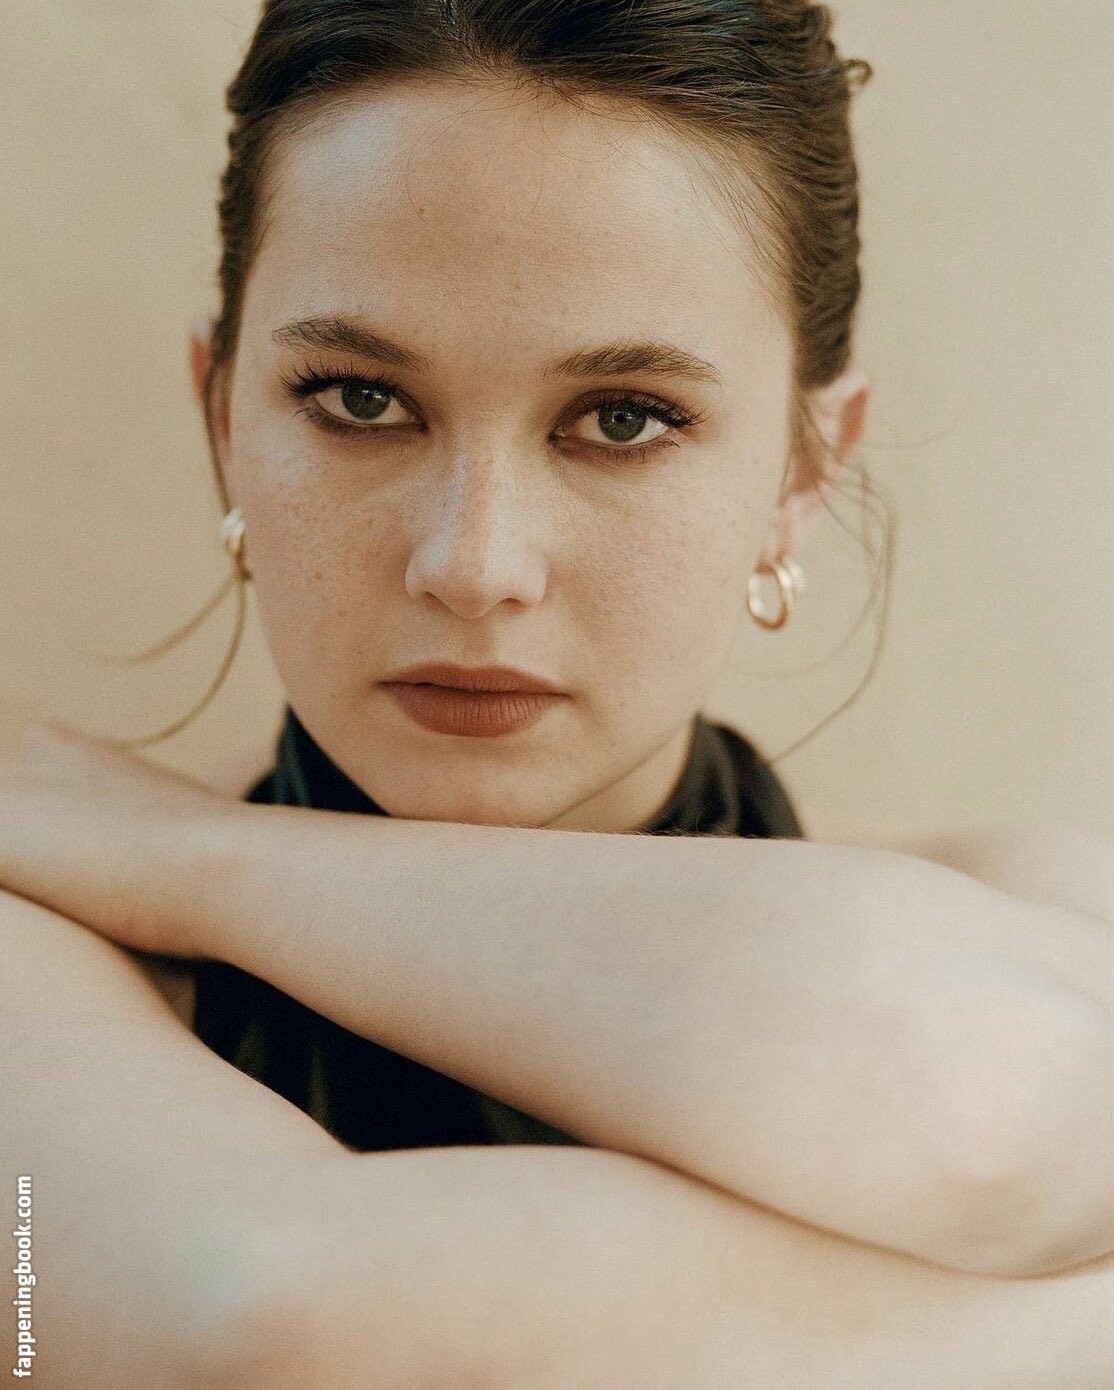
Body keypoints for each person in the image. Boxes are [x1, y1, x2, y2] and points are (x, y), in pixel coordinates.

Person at [1, 2, 1111, 1387]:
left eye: (622, 418)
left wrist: (188, 854)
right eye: (358, 399)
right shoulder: (39, 974)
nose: (473, 565)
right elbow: (266, 1321)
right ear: (224, 421)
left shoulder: (1039, 908)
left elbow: (968, 1088)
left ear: (800, 471)